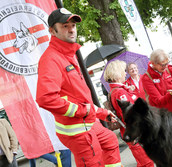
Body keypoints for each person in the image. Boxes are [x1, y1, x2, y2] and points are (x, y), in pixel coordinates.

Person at [36, 8, 121, 167]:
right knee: (93, 163)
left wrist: (102, 112)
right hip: (77, 130)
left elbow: (79, 97)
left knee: (110, 141)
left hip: (87, 122)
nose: (71, 30)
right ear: (52, 31)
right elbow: (45, 98)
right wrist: (84, 111)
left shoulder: (68, 54)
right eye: (65, 26)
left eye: (73, 25)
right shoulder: (51, 59)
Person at [104, 60, 154, 167]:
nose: (125, 73)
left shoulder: (116, 90)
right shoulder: (119, 92)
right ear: (117, 74)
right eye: (123, 71)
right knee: (147, 163)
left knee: (143, 162)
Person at [141, 49, 172, 117]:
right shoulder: (147, 78)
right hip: (162, 115)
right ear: (153, 63)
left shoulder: (169, 69)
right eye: (163, 65)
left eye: (167, 63)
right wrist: (171, 94)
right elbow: (158, 101)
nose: (165, 66)